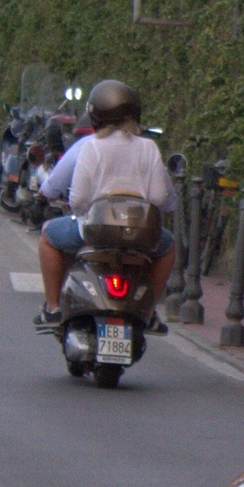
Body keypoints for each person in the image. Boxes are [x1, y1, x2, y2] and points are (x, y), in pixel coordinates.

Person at [32, 80, 174, 331]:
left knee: (48, 236)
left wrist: (85, 213)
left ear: (95, 114)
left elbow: (77, 200)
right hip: (139, 236)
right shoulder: (149, 148)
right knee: (168, 246)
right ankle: (149, 312)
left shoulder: (91, 147)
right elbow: (161, 198)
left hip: (94, 231)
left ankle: (53, 308)